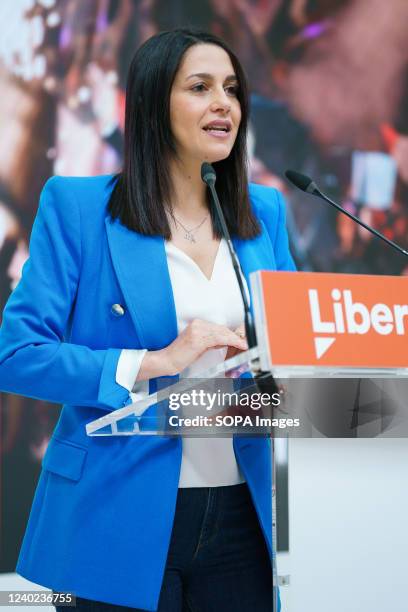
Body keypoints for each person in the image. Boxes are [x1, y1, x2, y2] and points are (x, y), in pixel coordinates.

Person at [0, 28, 295, 611]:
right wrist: (154, 362)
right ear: (154, 104)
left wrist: (276, 369)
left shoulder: (265, 211)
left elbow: (293, 340)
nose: (224, 104)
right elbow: (16, 355)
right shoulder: (79, 207)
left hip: (244, 512)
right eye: (200, 87)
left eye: (232, 90)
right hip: (115, 511)